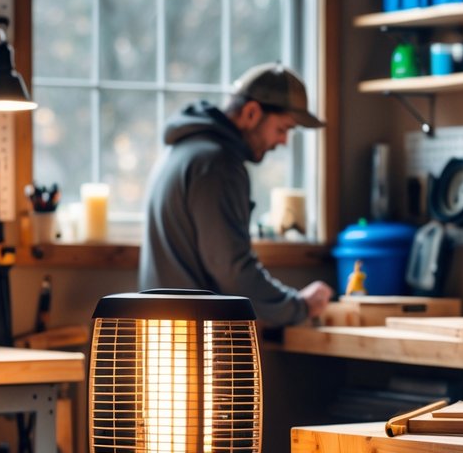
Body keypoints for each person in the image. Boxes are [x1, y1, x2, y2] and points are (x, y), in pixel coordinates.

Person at [139, 63, 334, 326]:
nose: (284, 141)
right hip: (193, 334)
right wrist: (298, 306)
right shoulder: (217, 165)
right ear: (252, 113)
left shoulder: (185, 151)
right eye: (282, 129)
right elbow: (232, 271)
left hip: (163, 330)